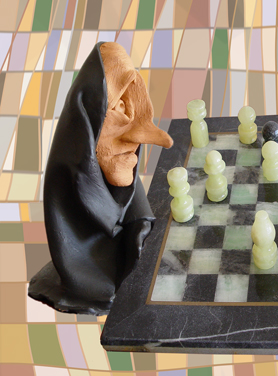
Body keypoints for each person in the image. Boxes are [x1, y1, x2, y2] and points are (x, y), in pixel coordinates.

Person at [28, 42, 173, 314]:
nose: (139, 133)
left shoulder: (137, 222)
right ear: (85, 123)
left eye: (133, 102)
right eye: (118, 105)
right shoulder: (71, 187)